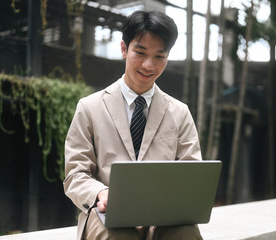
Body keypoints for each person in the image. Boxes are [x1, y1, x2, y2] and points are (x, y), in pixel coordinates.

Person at [63, 10, 203, 240]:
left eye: (160, 56)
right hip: (108, 216)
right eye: (140, 52)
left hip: (164, 218)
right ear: (124, 49)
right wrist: (101, 192)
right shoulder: (89, 107)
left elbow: (192, 175)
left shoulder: (180, 113)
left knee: (187, 233)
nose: (149, 65)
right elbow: (75, 174)